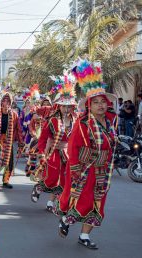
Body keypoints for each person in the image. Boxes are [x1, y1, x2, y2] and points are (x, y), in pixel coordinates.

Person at [56, 58, 117, 250]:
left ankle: (84, 235)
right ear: (89, 105)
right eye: (96, 102)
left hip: (103, 171)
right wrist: (74, 170)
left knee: (97, 204)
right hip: (85, 170)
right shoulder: (82, 124)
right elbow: (73, 147)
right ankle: (66, 219)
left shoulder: (111, 122)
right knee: (81, 202)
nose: (100, 105)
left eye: (103, 102)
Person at [31, 74, 77, 212]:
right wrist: (41, 153)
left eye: (69, 107)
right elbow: (44, 138)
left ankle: (51, 202)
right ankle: (39, 187)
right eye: (64, 106)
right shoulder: (52, 120)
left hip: (67, 154)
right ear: (58, 106)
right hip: (52, 153)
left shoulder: (76, 121)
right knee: (51, 177)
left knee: (63, 180)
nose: (66, 109)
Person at [0, 93, 23, 189]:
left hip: (8, 141)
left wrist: (21, 143)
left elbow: (18, 129)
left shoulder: (14, 114)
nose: (6, 103)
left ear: (11, 102)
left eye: (8, 101)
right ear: (1, 102)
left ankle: (6, 181)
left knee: (9, 162)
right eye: (4, 100)